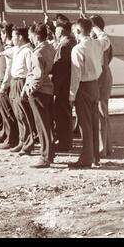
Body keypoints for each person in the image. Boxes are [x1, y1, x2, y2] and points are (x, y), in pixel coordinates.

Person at [68, 18, 111, 168]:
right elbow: (106, 38)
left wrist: (71, 95)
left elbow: (76, 75)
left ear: (79, 31)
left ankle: (86, 158)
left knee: (84, 125)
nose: (73, 33)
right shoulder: (96, 43)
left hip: (83, 87)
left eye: (74, 31)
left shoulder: (78, 49)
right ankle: (95, 157)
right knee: (94, 122)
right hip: (95, 86)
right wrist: (95, 27)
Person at [0, 26, 35, 155]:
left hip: (22, 82)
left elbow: (30, 71)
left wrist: (25, 88)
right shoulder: (17, 49)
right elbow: (1, 51)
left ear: (20, 37)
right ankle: (22, 141)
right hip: (14, 82)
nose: (12, 39)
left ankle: (28, 144)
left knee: (24, 114)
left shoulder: (28, 51)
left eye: (14, 36)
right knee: (18, 114)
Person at [23, 23, 56, 168]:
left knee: (41, 125)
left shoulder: (37, 53)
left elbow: (37, 76)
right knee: (47, 124)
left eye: (30, 35)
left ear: (36, 36)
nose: (29, 37)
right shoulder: (49, 48)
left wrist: (30, 89)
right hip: (48, 91)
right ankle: (50, 153)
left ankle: (45, 157)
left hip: (39, 92)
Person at [0, 23, 19, 150]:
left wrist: (3, 85)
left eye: (2, 33)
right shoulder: (8, 47)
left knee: (9, 113)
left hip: (7, 82)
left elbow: (8, 67)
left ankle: (12, 139)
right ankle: (9, 137)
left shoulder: (11, 48)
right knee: (6, 113)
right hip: (4, 80)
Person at [91, 15, 113, 157]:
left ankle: (101, 149)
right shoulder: (105, 42)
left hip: (100, 76)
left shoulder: (98, 42)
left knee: (99, 113)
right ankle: (107, 147)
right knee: (104, 112)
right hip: (105, 74)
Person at [52, 20, 76, 153]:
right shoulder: (69, 43)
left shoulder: (64, 45)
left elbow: (61, 68)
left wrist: (55, 87)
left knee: (62, 114)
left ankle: (64, 143)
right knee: (65, 114)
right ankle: (65, 142)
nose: (55, 32)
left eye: (56, 29)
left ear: (61, 31)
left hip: (63, 86)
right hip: (67, 84)